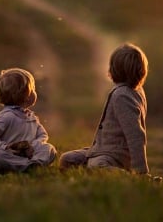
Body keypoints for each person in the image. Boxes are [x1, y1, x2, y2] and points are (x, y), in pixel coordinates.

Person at [59, 43, 150, 175]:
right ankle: (99, 168)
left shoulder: (122, 96)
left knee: (96, 166)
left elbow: (135, 135)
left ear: (115, 69)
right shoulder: (134, 90)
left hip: (116, 155)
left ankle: (131, 177)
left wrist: (141, 171)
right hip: (103, 149)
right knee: (68, 159)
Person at [0, 68, 57, 173]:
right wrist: (4, 147)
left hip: (30, 154)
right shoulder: (7, 116)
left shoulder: (31, 117)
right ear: (25, 95)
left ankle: (34, 164)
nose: (35, 92)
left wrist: (34, 145)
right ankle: (29, 166)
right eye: (33, 89)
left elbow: (42, 135)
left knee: (49, 148)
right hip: (12, 156)